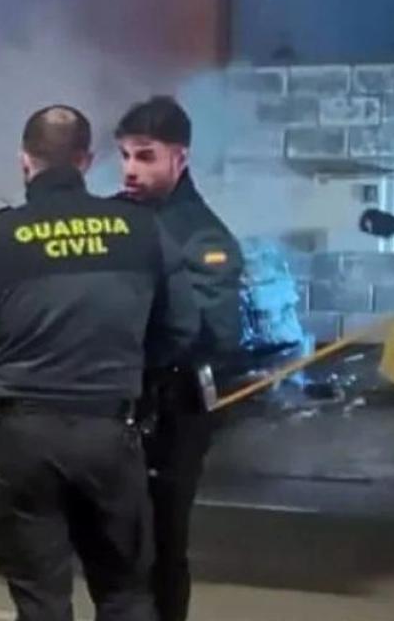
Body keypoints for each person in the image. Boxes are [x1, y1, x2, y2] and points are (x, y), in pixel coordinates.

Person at [0, 105, 199, 621]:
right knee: (125, 593)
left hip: (21, 435)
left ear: (25, 161)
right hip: (109, 433)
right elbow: (181, 329)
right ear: (86, 160)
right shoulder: (141, 231)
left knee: (41, 600)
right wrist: (126, 372)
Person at [113, 95, 244, 621]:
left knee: (161, 549)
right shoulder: (114, 218)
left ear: (179, 159)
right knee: (114, 550)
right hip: (117, 409)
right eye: (124, 155)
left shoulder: (204, 237)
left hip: (171, 412)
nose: (130, 170)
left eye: (145, 156)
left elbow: (213, 332)